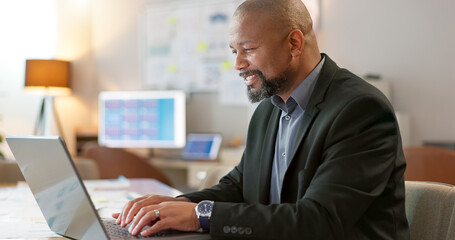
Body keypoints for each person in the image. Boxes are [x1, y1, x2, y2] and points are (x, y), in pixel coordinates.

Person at [113, 0, 410, 239]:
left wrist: (201, 216)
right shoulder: (268, 109)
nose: (238, 64)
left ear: (294, 44)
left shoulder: (360, 110)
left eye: (249, 50)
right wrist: (179, 205)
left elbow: (319, 220)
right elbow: (239, 186)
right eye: (234, 51)